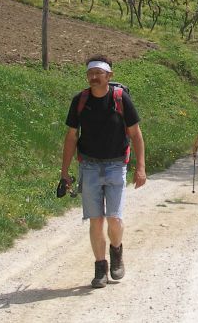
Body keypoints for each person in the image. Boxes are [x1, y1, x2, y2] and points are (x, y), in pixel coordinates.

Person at [61, 55, 146, 289]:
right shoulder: (80, 101)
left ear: (109, 76)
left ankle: (116, 252)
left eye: (99, 73)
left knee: (115, 218)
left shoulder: (121, 99)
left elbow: (136, 134)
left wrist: (140, 168)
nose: (94, 77)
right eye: (91, 73)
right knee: (95, 221)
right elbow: (71, 137)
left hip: (116, 165)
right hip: (88, 167)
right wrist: (64, 173)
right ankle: (101, 268)